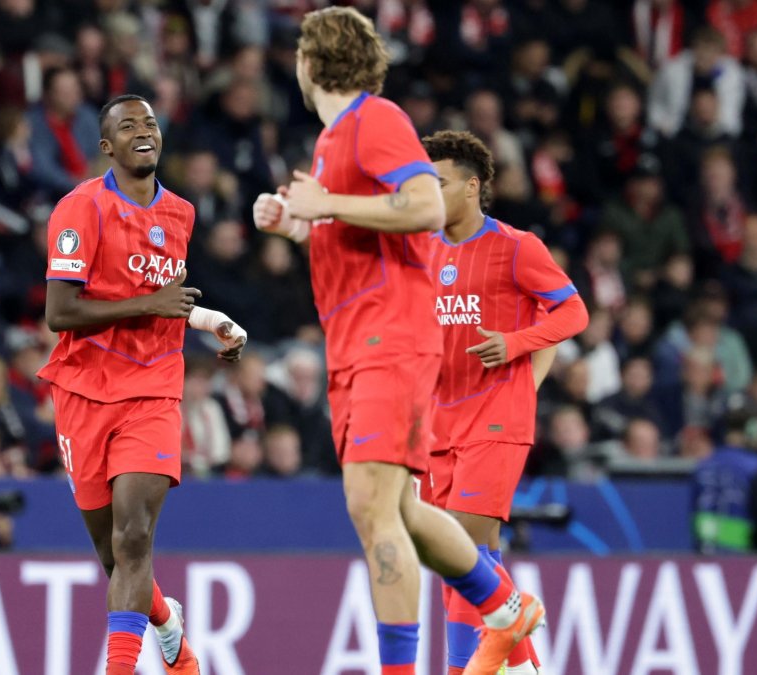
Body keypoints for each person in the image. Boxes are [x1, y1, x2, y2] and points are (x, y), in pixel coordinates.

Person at [252, 9, 540, 674]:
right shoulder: (332, 145)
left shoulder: (372, 119)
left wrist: (326, 204)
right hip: (354, 344)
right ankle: (504, 605)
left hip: (391, 336)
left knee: (373, 507)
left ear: (311, 61)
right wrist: (297, 225)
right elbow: (365, 237)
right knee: (400, 510)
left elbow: (425, 206)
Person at [39, 93, 247, 675]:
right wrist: (147, 302)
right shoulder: (80, 209)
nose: (143, 131)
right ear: (107, 146)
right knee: (113, 557)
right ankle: (166, 622)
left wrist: (216, 325)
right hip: (84, 389)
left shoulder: (179, 213)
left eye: (150, 122)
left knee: (135, 537)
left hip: (153, 389)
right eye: (127, 126)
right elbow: (61, 311)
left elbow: (170, 305)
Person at [421, 130, 588, 674]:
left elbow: (571, 313)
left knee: (457, 551)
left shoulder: (517, 247)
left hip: (495, 419)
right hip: (439, 424)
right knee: (472, 560)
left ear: (471, 187)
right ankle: (527, 666)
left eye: (438, 182)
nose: (427, 192)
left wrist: (516, 344)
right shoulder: (422, 250)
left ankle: (462, 669)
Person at [690, 401, 757, 553]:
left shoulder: (702, 467)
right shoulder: (755, 469)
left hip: (704, 559)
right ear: (752, 429)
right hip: (744, 563)